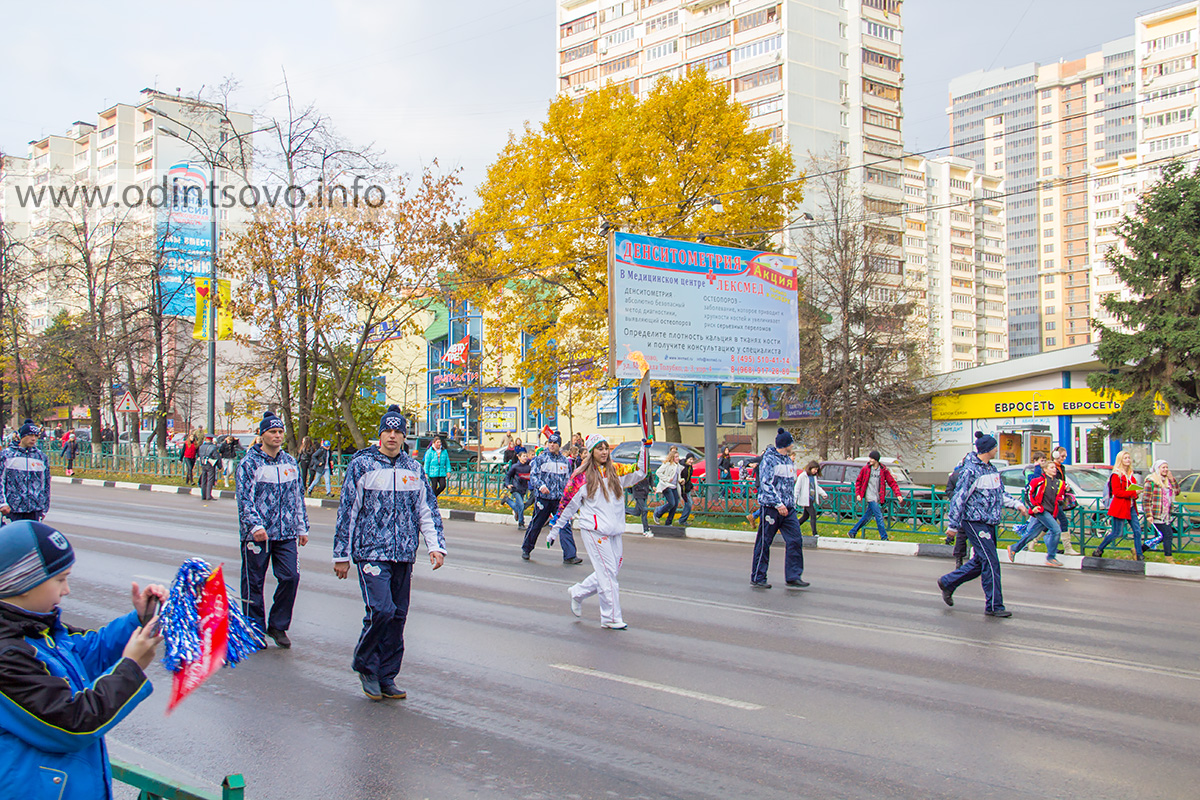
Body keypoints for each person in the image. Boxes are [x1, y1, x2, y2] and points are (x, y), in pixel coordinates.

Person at [0, 519, 165, 800]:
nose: (67, 590)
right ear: (23, 583)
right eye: (60, 579)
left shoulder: (39, 631)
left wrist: (137, 620)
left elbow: (88, 650)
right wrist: (131, 668)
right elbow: (73, 723)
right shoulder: (7, 657)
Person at [334, 405, 445, 701]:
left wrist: (435, 546)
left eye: (398, 432)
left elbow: (426, 510)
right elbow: (348, 511)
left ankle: (387, 675)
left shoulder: (413, 468)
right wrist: (342, 555)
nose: (392, 436)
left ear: (404, 436)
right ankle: (365, 666)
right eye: (388, 431)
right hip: (371, 552)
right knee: (381, 610)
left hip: (403, 554)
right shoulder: (363, 466)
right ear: (380, 434)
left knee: (397, 616)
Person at [549, 434, 649, 630]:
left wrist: (644, 449)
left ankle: (578, 592)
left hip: (614, 530)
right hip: (593, 530)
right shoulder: (581, 476)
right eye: (599, 448)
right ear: (592, 451)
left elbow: (640, 471)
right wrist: (555, 530)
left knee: (610, 572)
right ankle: (610, 618)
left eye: (606, 448)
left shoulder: (616, 470)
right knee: (607, 575)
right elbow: (567, 504)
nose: (604, 452)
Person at [236, 412, 309, 648]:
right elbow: (244, 498)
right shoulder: (250, 463)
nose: (277, 436)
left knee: (290, 577)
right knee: (253, 581)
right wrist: (255, 525)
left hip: (285, 532)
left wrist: (301, 527)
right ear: (262, 435)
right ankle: (253, 628)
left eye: (280, 432)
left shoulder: (289, 462)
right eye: (272, 432)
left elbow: (297, 496)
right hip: (258, 535)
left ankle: (278, 625)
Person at [937, 433, 1028, 617]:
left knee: (980, 562)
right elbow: (959, 498)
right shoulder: (970, 471)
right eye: (995, 447)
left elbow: (999, 494)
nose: (997, 449)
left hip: (990, 521)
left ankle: (948, 582)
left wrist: (1017, 504)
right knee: (991, 561)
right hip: (974, 521)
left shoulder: (992, 469)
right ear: (988, 449)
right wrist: (953, 526)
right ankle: (994, 606)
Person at [750, 428, 807, 589]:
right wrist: (778, 504)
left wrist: (791, 504)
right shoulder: (769, 460)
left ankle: (793, 576)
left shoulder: (788, 461)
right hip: (772, 508)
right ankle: (758, 576)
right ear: (785, 444)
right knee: (764, 542)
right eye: (791, 443)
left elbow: (790, 485)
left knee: (795, 540)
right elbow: (766, 484)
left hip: (788, 509)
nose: (792, 446)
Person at [521, 433, 580, 564]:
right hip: (544, 499)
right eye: (550, 442)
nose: (552, 445)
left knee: (564, 524)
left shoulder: (565, 461)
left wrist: (569, 495)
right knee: (537, 524)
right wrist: (541, 486)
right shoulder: (541, 459)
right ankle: (526, 548)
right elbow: (534, 476)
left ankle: (570, 555)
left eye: (555, 443)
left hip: (559, 500)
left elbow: (568, 480)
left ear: (559, 445)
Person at [1006, 458, 1067, 566]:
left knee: (1032, 534)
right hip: (1041, 511)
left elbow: (1060, 499)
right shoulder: (1038, 481)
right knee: (1056, 530)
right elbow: (1028, 493)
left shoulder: (1059, 483)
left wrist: (1064, 494)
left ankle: (1014, 548)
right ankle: (1051, 557)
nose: (1055, 470)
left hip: (1051, 512)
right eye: (1051, 468)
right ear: (1045, 469)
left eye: (1055, 468)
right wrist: (1033, 506)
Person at [1093, 450, 1143, 560]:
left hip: (1131, 506)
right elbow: (1117, 493)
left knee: (1137, 530)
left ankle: (1139, 554)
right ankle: (1099, 549)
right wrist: (1133, 492)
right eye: (1125, 458)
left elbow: (1131, 492)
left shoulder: (1131, 476)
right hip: (1120, 507)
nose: (1128, 460)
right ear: (1120, 460)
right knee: (1117, 533)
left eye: (1129, 458)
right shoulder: (1116, 475)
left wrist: (1136, 493)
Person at [0, 420, 51, 523]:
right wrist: (2, 503)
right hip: (13, 509)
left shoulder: (41, 457)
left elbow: (45, 484)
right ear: (22, 436)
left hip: (34, 509)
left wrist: (44, 508)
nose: (33, 439)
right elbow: (1, 480)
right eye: (30, 435)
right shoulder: (7, 455)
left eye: (36, 436)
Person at [846, 451, 905, 541]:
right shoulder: (866, 469)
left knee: (867, 516)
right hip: (870, 496)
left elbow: (892, 482)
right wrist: (858, 494)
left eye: (872, 458)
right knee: (879, 516)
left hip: (877, 496)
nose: (870, 460)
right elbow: (859, 482)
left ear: (876, 460)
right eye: (870, 458)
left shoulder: (883, 470)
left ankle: (852, 532)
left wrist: (898, 495)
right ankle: (884, 537)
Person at [1142, 459, 1178, 563]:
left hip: (1166, 514)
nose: (1166, 470)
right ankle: (1169, 557)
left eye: (1167, 467)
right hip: (1156, 514)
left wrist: (1172, 479)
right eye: (1163, 467)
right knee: (1168, 534)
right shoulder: (1151, 482)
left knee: (1161, 536)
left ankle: (1140, 550)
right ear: (1158, 469)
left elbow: (1177, 491)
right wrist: (1149, 515)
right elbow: (1146, 500)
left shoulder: (1167, 482)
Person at [1049, 447, 1078, 556]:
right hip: (1053, 500)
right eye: (1062, 456)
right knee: (1063, 522)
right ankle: (1067, 548)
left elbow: (1061, 481)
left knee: (1047, 525)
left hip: (1060, 498)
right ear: (1055, 455)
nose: (1064, 458)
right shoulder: (1052, 467)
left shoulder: (1062, 468)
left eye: (1065, 456)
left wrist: (1066, 487)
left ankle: (1031, 543)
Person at [793, 460, 827, 537]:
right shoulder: (803, 476)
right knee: (813, 514)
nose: (815, 471)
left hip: (811, 498)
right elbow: (797, 488)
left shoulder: (813, 477)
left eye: (816, 470)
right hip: (806, 498)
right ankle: (814, 533)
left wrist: (823, 493)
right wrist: (794, 499)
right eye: (814, 469)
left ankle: (793, 528)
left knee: (805, 516)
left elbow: (816, 487)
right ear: (810, 468)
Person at [653, 446, 682, 525]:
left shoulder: (678, 466)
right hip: (666, 486)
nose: (678, 458)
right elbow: (658, 472)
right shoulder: (667, 464)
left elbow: (677, 476)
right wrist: (666, 478)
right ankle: (658, 512)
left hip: (674, 487)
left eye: (678, 456)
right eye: (676, 457)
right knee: (671, 503)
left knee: (675, 505)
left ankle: (668, 522)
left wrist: (680, 481)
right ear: (672, 457)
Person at [504, 449, 533, 529]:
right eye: (523, 456)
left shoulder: (529, 467)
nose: (525, 458)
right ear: (519, 458)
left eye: (526, 456)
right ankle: (521, 523)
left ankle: (507, 500)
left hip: (523, 489)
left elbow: (531, 477)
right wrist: (507, 484)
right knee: (521, 505)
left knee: (519, 507)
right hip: (515, 488)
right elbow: (508, 476)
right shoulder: (515, 467)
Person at [628, 463, 653, 536]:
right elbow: (630, 480)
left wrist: (653, 486)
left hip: (645, 492)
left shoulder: (648, 470)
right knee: (644, 510)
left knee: (637, 512)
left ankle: (622, 510)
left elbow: (651, 479)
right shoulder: (636, 469)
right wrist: (633, 490)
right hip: (638, 492)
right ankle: (646, 530)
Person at [196, 434, 222, 502]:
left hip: (203, 463)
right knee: (210, 479)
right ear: (212, 440)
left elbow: (199, 454)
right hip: (210, 464)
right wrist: (220, 466)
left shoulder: (201, 447)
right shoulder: (213, 447)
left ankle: (203, 495)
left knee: (203, 479)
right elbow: (217, 457)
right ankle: (208, 495)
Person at [678, 454, 696, 526]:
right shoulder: (682, 466)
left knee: (689, 504)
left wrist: (691, 486)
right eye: (690, 459)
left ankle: (683, 520)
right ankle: (658, 513)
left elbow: (688, 479)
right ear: (686, 459)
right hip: (680, 488)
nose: (691, 461)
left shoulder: (690, 467)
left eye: (692, 460)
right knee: (672, 504)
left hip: (686, 489)